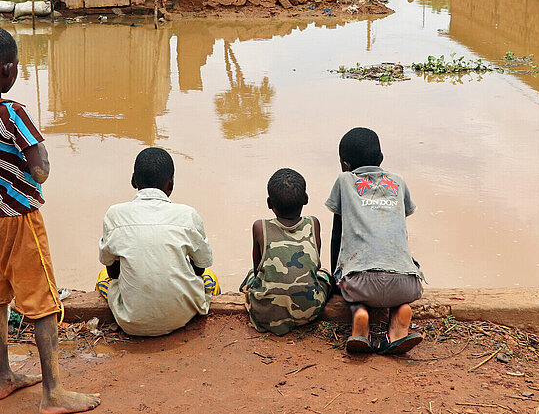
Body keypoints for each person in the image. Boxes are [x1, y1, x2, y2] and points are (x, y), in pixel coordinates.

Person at [0, 28, 100, 413]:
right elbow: (39, 169)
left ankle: (4, 375)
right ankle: (53, 392)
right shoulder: (12, 113)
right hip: (18, 220)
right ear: (8, 69)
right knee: (42, 303)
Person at [98, 147, 219, 336]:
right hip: (183, 315)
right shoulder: (188, 215)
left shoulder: (114, 215)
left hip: (131, 320)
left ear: (133, 180)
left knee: (102, 278)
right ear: (170, 184)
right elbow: (200, 268)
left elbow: (112, 271)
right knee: (210, 277)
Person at [325, 127, 424, 355]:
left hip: (360, 284)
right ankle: (400, 314)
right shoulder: (398, 182)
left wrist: (335, 278)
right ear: (381, 159)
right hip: (407, 284)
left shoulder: (344, 181)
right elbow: (398, 229)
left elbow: (336, 235)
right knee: (394, 274)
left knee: (353, 282)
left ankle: (360, 316)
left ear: (345, 164)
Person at [240, 168, 332, 336]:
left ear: (269, 203)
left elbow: (257, 269)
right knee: (324, 274)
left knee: (249, 277)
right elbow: (314, 265)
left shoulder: (260, 227)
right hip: (309, 312)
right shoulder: (314, 223)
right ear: (306, 199)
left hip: (267, 315)